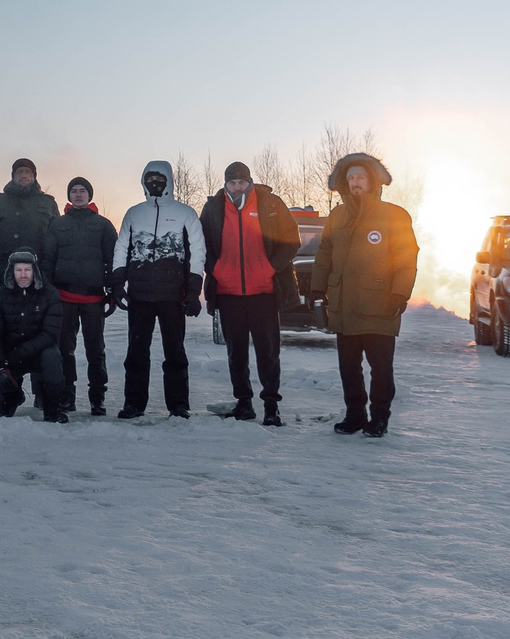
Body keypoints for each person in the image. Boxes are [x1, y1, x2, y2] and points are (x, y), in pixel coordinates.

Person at [310, 151, 419, 437]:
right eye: (350, 178)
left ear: (372, 181)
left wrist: (399, 294)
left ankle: (379, 418)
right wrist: (317, 288)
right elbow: (324, 255)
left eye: (360, 177)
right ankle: (355, 415)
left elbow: (406, 258)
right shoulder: (337, 215)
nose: (355, 182)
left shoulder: (394, 215)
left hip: (379, 305)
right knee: (349, 367)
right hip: (344, 305)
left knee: (380, 368)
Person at [200, 161, 303, 426]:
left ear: (250, 182)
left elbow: (292, 239)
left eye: (242, 182)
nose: (237, 187)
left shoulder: (270, 203)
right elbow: (200, 245)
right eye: (232, 182)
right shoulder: (213, 207)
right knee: (236, 353)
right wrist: (216, 269)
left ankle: (271, 406)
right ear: (226, 184)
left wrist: (271, 267)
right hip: (228, 292)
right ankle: (244, 403)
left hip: (264, 292)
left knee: (268, 353)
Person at [111, 159, 206, 420]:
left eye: (160, 179)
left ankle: (178, 404)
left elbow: (197, 251)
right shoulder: (133, 213)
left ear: (169, 181)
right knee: (136, 352)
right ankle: (134, 404)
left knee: (174, 352)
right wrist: (118, 283)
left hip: (173, 296)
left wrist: (193, 290)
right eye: (150, 179)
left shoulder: (186, 213)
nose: (155, 183)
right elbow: (122, 248)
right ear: (143, 182)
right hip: (139, 295)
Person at [40, 175, 118, 416]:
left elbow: (113, 260)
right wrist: (48, 291)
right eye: (73, 190)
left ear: (89, 195)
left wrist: (113, 291)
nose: (78, 194)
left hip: (94, 299)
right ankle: (67, 396)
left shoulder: (104, 225)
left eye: (82, 190)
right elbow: (47, 260)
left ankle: (97, 398)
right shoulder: (57, 224)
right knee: (65, 350)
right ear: (69, 195)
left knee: (96, 350)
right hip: (64, 297)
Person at [0, 248, 69, 421]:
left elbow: (50, 334)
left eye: (27, 270)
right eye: (18, 270)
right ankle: (12, 397)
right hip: (12, 353)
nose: (23, 275)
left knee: (52, 360)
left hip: (40, 352)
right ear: (11, 271)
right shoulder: (0, 295)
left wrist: (20, 352)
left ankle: (51, 408)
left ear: (35, 271)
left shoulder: (49, 294)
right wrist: (2, 365)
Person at [0, 158, 59, 298]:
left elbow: (57, 242)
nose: (24, 175)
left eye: (28, 171)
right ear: (13, 176)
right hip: (3, 272)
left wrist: (54, 274)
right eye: (19, 172)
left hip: (38, 274)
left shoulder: (48, 203)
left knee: (37, 318)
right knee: (1, 317)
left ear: (34, 176)